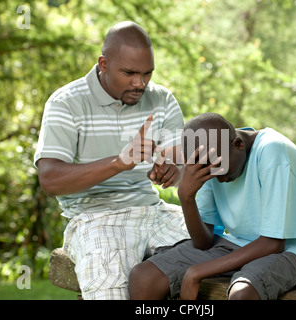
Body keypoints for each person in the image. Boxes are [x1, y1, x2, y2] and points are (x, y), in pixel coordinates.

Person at [34, 21, 189, 300]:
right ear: (103, 64)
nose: (139, 83)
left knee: (218, 256)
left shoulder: (162, 100)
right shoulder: (66, 102)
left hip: (154, 211)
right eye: (129, 73)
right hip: (95, 218)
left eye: (147, 74)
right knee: (111, 292)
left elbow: (180, 167)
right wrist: (118, 162)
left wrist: (172, 171)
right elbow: (50, 180)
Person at [129, 112, 296, 300]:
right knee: (144, 277)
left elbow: (274, 244)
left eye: (221, 171)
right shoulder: (209, 159)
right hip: (240, 242)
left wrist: (196, 272)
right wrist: (186, 196)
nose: (218, 180)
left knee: (242, 294)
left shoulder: (273, 152)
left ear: (238, 144)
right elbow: (204, 241)